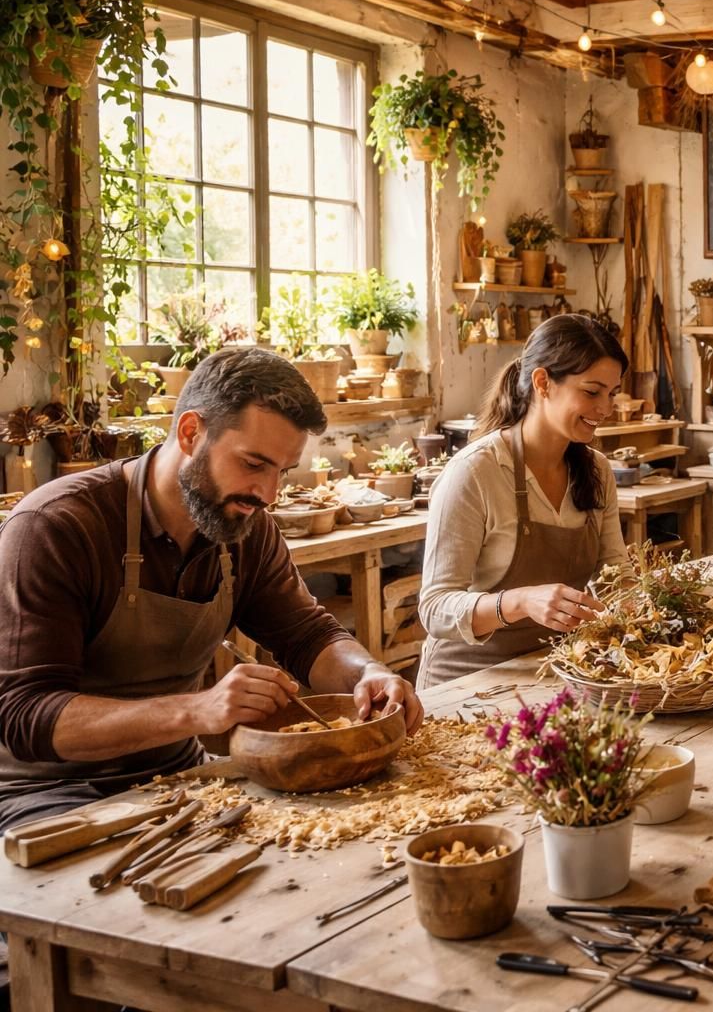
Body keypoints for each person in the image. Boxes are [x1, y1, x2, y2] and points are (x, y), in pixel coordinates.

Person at [0, 348, 422, 833]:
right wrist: (198, 709)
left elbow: (306, 635)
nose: (267, 494)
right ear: (190, 433)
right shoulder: (56, 527)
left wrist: (366, 674)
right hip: (46, 792)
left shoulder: (243, 524)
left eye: (282, 472)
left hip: (175, 773)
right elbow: (26, 716)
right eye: (253, 464)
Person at [417, 315, 629, 689]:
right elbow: (434, 609)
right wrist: (519, 602)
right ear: (543, 382)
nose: (606, 408)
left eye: (612, 393)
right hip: (466, 683)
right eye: (592, 392)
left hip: (554, 672)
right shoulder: (475, 472)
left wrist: (649, 604)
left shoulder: (596, 471)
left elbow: (617, 577)